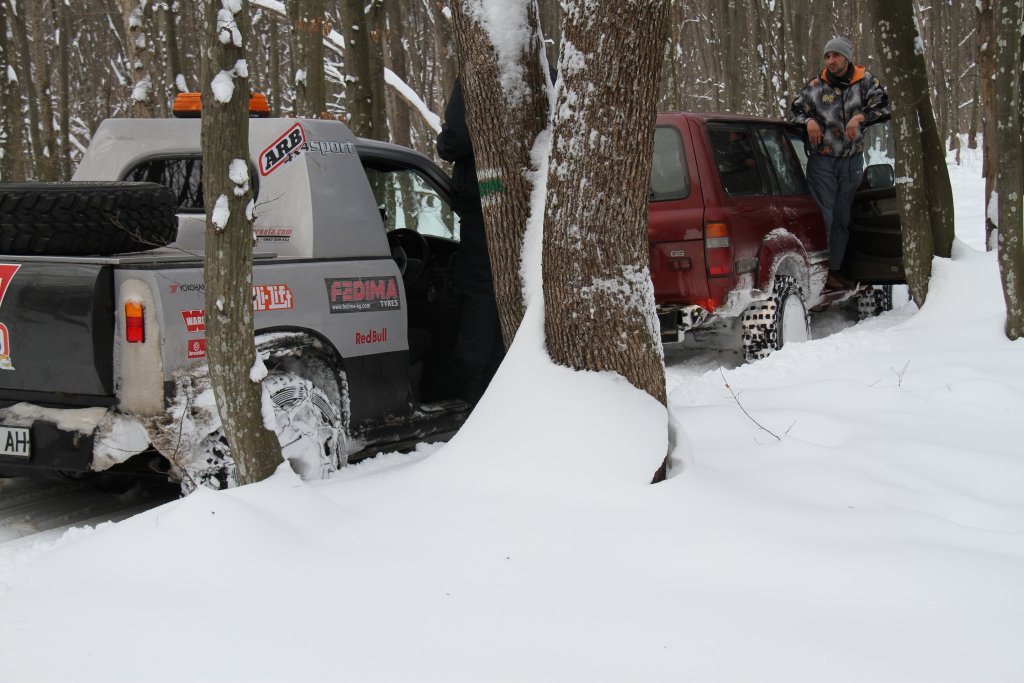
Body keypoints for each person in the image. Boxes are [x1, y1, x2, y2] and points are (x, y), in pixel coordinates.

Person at [791, 36, 890, 290]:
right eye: (827, 56)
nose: (830, 61)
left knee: (843, 218)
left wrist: (860, 117)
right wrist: (809, 122)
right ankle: (819, 275)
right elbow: (797, 111)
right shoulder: (816, 86)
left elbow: (884, 108)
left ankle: (835, 270)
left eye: (835, 55)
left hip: (851, 161)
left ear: (847, 57)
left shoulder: (865, 81)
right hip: (822, 160)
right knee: (823, 217)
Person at [433, 78, 505, 402]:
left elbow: (457, 139)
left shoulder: (479, 72)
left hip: (484, 193)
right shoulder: (542, 67)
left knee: (478, 286)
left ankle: (468, 378)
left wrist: (443, 143)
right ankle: (499, 372)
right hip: (527, 195)